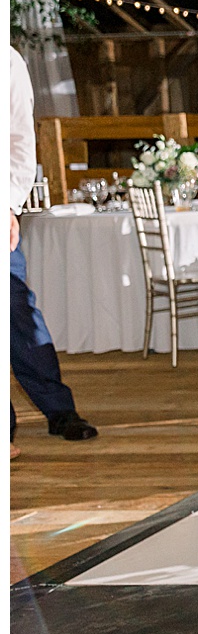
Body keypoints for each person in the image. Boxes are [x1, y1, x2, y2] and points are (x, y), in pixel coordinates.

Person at [10, 47, 98, 455]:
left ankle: (59, 410)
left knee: (18, 312)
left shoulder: (7, 62)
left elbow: (18, 141)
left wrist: (9, 206)